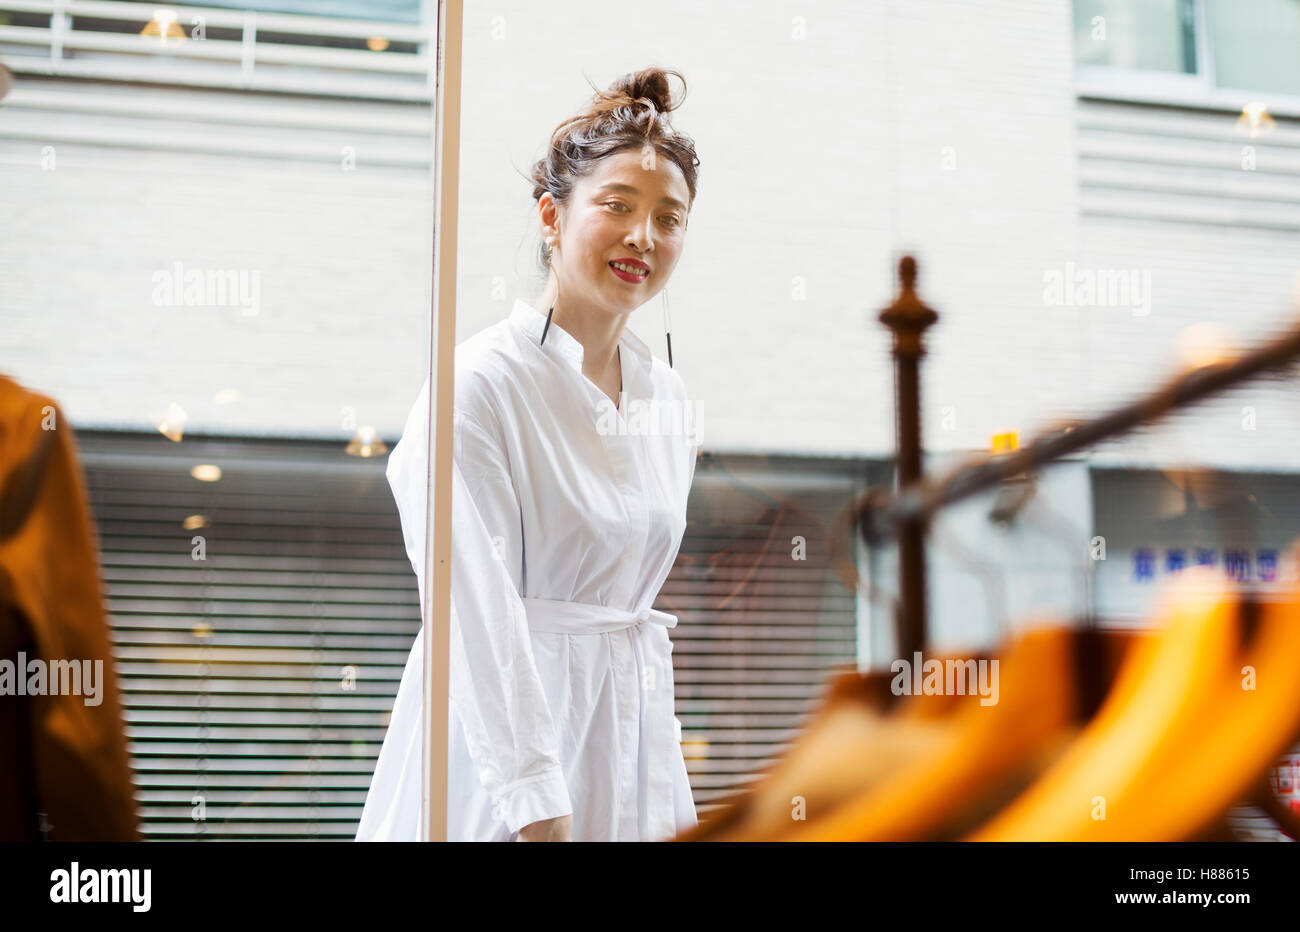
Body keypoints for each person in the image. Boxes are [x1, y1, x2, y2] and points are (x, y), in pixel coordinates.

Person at [356, 66, 703, 842]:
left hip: (630, 733)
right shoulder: (477, 385)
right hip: (498, 752)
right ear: (552, 215)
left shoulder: (668, 401)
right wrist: (534, 804)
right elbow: (470, 614)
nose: (643, 236)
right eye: (616, 205)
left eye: (668, 217)